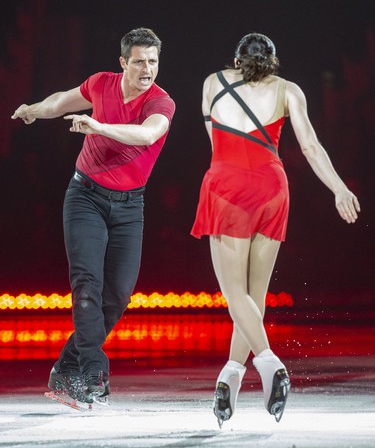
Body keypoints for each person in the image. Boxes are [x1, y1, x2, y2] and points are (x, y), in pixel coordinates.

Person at [191, 33, 360, 426]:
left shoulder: (213, 82)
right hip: (271, 186)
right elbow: (311, 146)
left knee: (236, 295)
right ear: (274, 61)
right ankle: (230, 376)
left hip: (227, 185)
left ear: (236, 59)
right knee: (254, 295)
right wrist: (339, 188)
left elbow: (214, 139)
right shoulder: (290, 90)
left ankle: (270, 365)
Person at [11, 27, 175, 405]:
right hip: (84, 197)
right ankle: (93, 375)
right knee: (87, 287)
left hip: (130, 207)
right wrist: (34, 110)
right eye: (139, 62)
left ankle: (65, 367)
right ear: (123, 63)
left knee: (116, 298)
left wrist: (98, 127)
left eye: (153, 62)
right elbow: (62, 102)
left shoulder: (161, 102)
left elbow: (148, 135)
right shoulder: (101, 83)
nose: (146, 69)